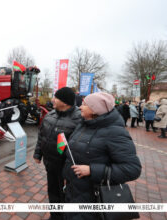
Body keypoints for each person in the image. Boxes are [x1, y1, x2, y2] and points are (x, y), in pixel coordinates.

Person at [63, 92, 141, 220]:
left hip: (94, 199)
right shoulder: (84, 124)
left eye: (85, 104)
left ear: (96, 109)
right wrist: (66, 175)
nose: (80, 107)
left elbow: (132, 169)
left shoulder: (116, 132)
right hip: (74, 191)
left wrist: (92, 170)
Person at [34, 87, 81, 220]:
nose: (52, 100)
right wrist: (38, 154)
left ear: (65, 102)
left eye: (56, 97)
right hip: (50, 164)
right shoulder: (50, 115)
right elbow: (41, 136)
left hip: (67, 168)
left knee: (66, 194)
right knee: (53, 191)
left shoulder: (79, 119)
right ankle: (55, 216)